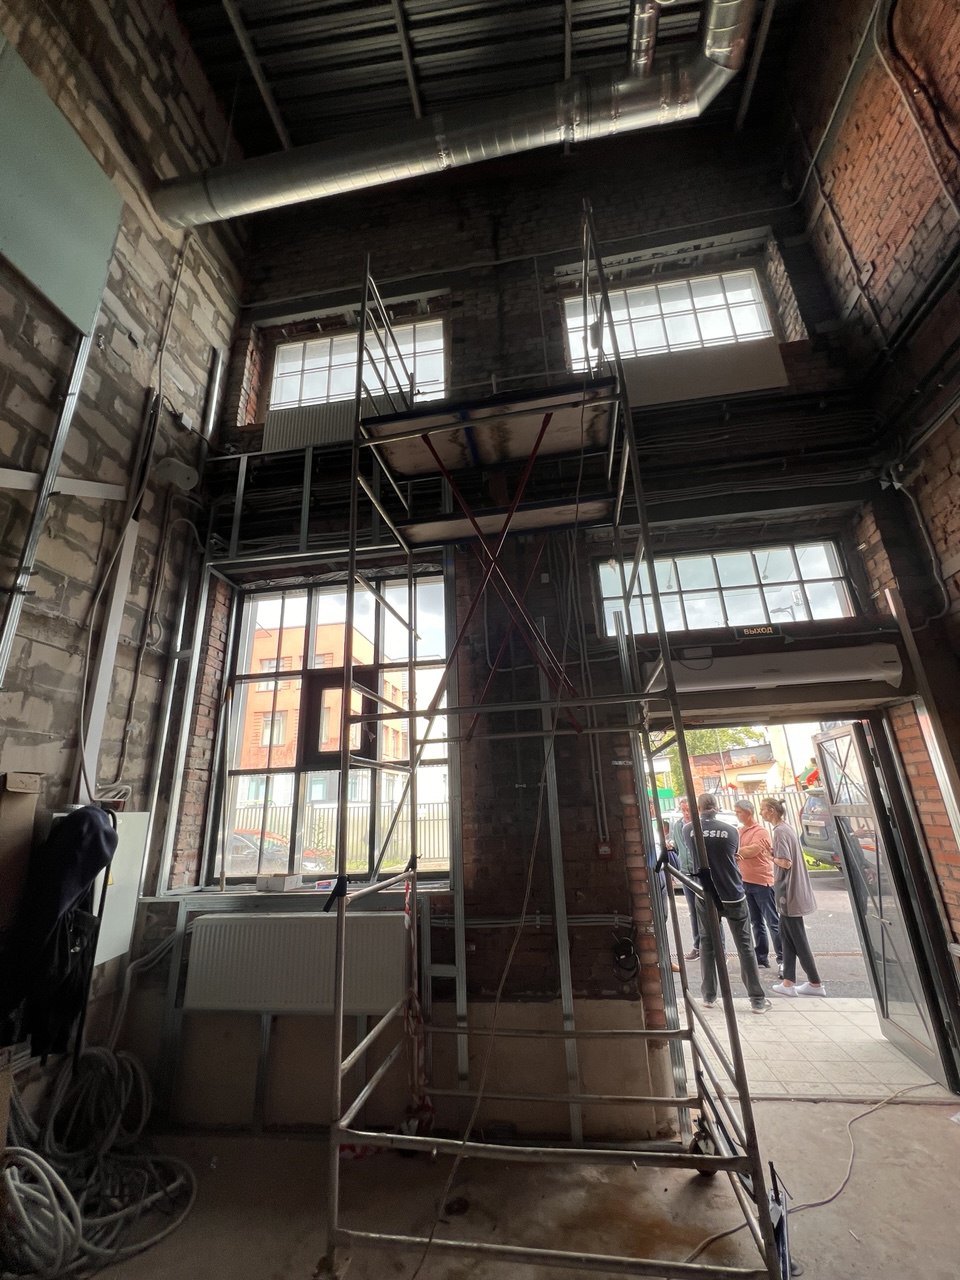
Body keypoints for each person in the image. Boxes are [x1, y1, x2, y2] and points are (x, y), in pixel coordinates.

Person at [683, 793, 771, 1014]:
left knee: (707, 944)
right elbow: (734, 855)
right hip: (733, 893)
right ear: (717, 807)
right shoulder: (731, 831)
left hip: (706, 895)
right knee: (745, 946)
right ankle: (757, 999)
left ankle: (709, 995)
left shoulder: (688, 830)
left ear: (699, 808)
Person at [760, 797, 826, 997]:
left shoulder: (780, 831)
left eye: (763, 809)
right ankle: (788, 983)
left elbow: (786, 862)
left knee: (797, 939)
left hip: (789, 894)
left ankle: (815, 982)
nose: (761, 813)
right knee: (787, 937)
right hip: (791, 893)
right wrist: (774, 853)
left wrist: (770, 857)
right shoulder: (786, 828)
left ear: (772, 810)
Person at [734, 800, 782, 973]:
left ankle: (783, 959)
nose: (737, 815)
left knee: (772, 922)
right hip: (745, 882)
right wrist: (740, 850)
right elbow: (738, 849)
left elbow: (752, 850)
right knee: (756, 922)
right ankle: (761, 957)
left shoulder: (760, 831)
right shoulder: (739, 831)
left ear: (748, 812)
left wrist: (738, 851)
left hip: (762, 883)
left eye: (739, 812)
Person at [671, 797, 702, 959]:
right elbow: (677, 847)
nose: (686, 813)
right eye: (683, 810)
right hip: (686, 872)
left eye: (688, 810)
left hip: (701, 873)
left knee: (709, 910)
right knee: (693, 911)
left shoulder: (700, 824)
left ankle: (718, 948)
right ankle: (697, 946)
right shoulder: (678, 826)